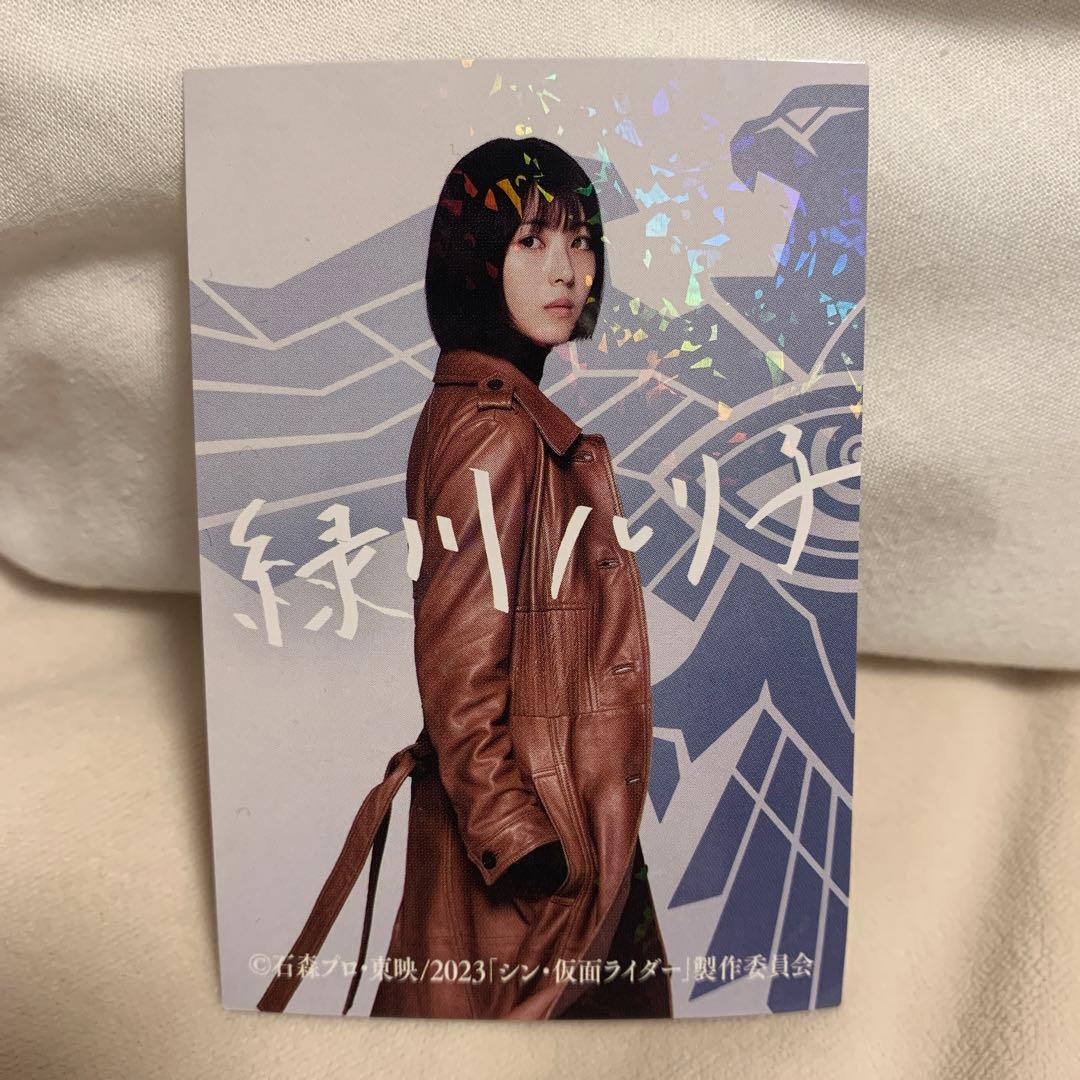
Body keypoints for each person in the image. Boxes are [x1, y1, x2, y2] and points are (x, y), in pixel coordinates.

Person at [257, 136, 672, 1021]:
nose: (565, 270)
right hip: (527, 853)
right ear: (476, 257)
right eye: (530, 241)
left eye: (581, 241)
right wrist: (522, 844)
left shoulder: (479, 410)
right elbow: (459, 670)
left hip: (536, 830)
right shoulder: (496, 431)